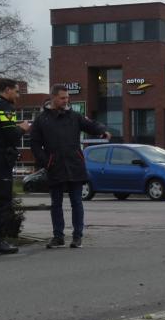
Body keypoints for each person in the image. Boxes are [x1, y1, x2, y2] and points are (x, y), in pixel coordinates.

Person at [30, 84, 110, 249]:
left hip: (75, 165)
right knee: (56, 203)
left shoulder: (74, 116)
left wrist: (102, 130)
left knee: (76, 202)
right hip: (55, 166)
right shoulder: (41, 119)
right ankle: (58, 237)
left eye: (67, 98)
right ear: (53, 97)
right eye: (62, 98)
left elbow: (91, 125)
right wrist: (46, 162)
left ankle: (77, 236)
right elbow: (35, 144)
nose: (66, 101)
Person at [0, 79, 30, 255]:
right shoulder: (5, 107)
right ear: (7, 90)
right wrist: (23, 128)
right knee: (1, 199)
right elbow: (12, 136)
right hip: (0, 156)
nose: (17, 95)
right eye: (16, 92)